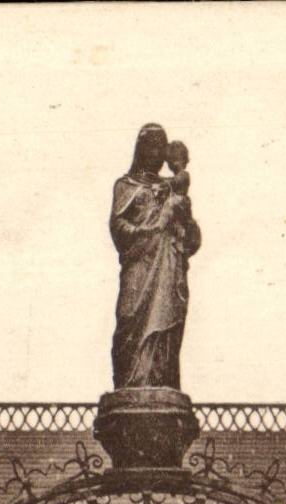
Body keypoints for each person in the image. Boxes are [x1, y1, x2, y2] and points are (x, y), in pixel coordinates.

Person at [109, 125, 201, 391]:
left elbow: (192, 239)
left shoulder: (172, 189)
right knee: (129, 319)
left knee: (165, 327)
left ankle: (160, 383)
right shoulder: (125, 186)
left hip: (166, 268)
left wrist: (186, 217)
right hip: (138, 266)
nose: (156, 152)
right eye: (151, 145)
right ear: (140, 149)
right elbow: (118, 227)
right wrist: (146, 231)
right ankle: (130, 385)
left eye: (161, 146)